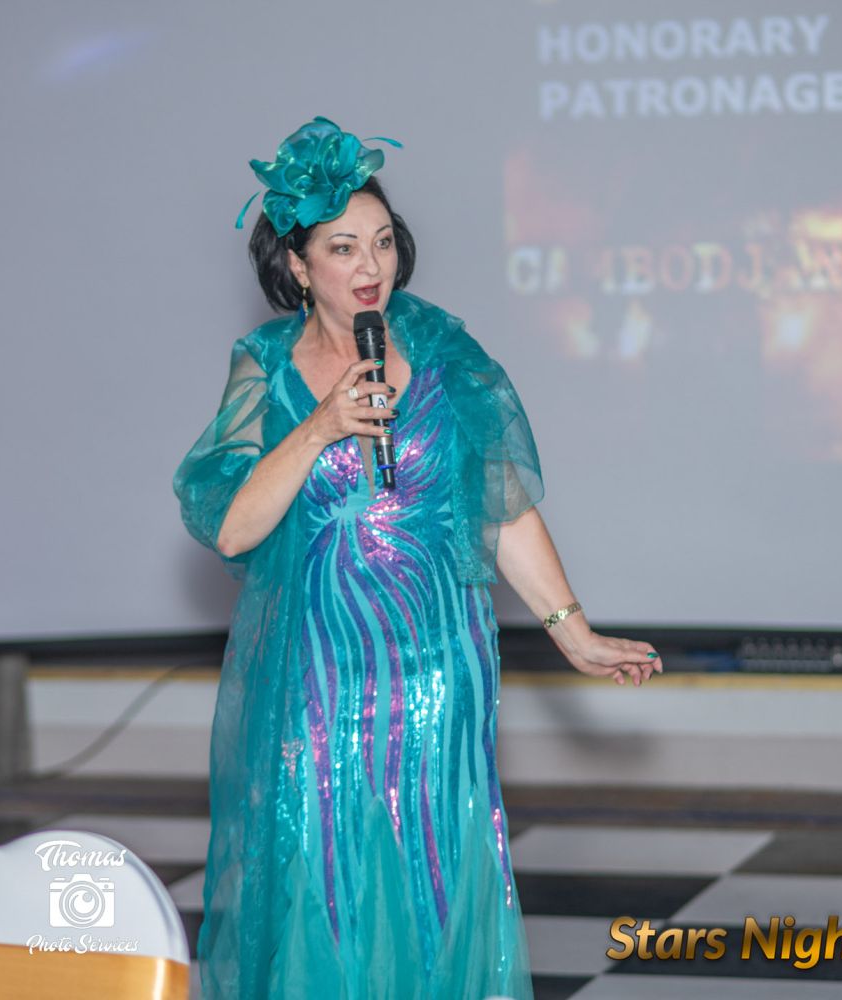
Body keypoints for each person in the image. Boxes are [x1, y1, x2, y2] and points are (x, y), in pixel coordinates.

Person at [174, 116, 662, 1000]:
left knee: (435, 871)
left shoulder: (442, 351)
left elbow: (502, 509)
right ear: (298, 266)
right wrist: (320, 426)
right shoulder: (264, 368)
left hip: (440, 663)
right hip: (319, 672)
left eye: (383, 242)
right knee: (324, 876)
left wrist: (573, 631)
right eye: (343, 247)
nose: (371, 266)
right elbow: (234, 529)